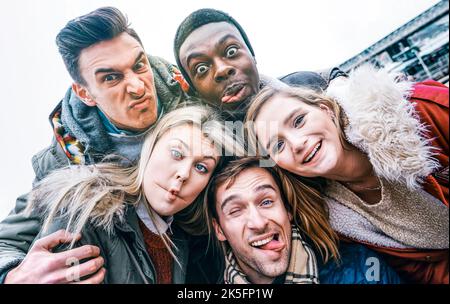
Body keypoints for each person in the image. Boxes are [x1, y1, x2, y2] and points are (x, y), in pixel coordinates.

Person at [0, 6, 194, 283]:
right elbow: (6, 243)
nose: (137, 87)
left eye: (139, 65)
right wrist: (13, 276)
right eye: (111, 78)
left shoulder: (197, 105)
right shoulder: (64, 161)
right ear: (85, 93)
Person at [245, 64, 449, 283]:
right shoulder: (335, 218)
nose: (296, 144)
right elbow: (423, 269)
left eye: (298, 121)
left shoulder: (416, 113)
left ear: (326, 109)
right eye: (277, 146)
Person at [24, 105, 241, 284]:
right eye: (176, 153)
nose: (183, 174)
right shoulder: (85, 211)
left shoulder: (186, 240)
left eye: (201, 167)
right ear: (150, 147)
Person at [205, 157, 402, 284]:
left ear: (287, 210)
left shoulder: (361, 270)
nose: (258, 222)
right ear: (219, 229)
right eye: (236, 211)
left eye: (266, 202)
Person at [173, 8, 345, 121]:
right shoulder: (210, 154)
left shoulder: (313, 85)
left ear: (252, 55)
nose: (222, 70)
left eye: (231, 51)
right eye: (201, 68)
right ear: (196, 91)